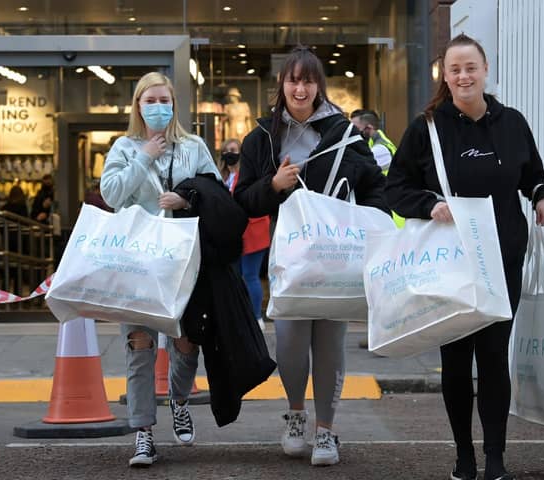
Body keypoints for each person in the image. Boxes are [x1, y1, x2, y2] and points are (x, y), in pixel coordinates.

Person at [385, 33, 544, 480]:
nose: (464, 76)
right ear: (445, 75)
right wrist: (428, 205)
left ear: (485, 70)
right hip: (450, 262)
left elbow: (533, 175)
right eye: (455, 69)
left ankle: (496, 458)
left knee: (495, 356)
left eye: (471, 67)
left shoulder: (511, 122)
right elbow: (396, 187)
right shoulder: (427, 127)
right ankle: (464, 455)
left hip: (501, 258)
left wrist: (543, 197)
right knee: (458, 359)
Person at [234, 46, 389, 467]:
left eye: (308, 80)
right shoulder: (263, 137)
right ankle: (296, 414)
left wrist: (371, 223)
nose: (300, 88)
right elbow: (243, 200)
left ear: (319, 86)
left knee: (330, 345)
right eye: (293, 80)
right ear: (281, 85)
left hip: (338, 258)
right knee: (289, 342)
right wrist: (274, 184)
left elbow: (374, 186)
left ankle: (326, 430)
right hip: (290, 261)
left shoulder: (344, 133)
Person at [100, 71, 222, 467]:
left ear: (174, 104)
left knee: (187, 343)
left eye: (163, 100)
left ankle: (179, 399)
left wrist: (186, 200)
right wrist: (143, 157)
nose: (156, 107)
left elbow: (216, 193)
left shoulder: (194, 146)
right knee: (140, 345)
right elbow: (112, 193)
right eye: (148, 100)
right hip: (137, 264)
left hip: (184, 263)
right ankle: (142, 433)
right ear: (137, 105)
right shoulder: (123, 147)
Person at [221, 138, 271, 332]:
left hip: (253, 230)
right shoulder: (221, 175)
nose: (230, 153)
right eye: (226, 150)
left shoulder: (250, 173)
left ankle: (257, 316)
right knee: (234, 277)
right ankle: (239, 316)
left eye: (234, 150)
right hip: (230, 233)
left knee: (250, 275)